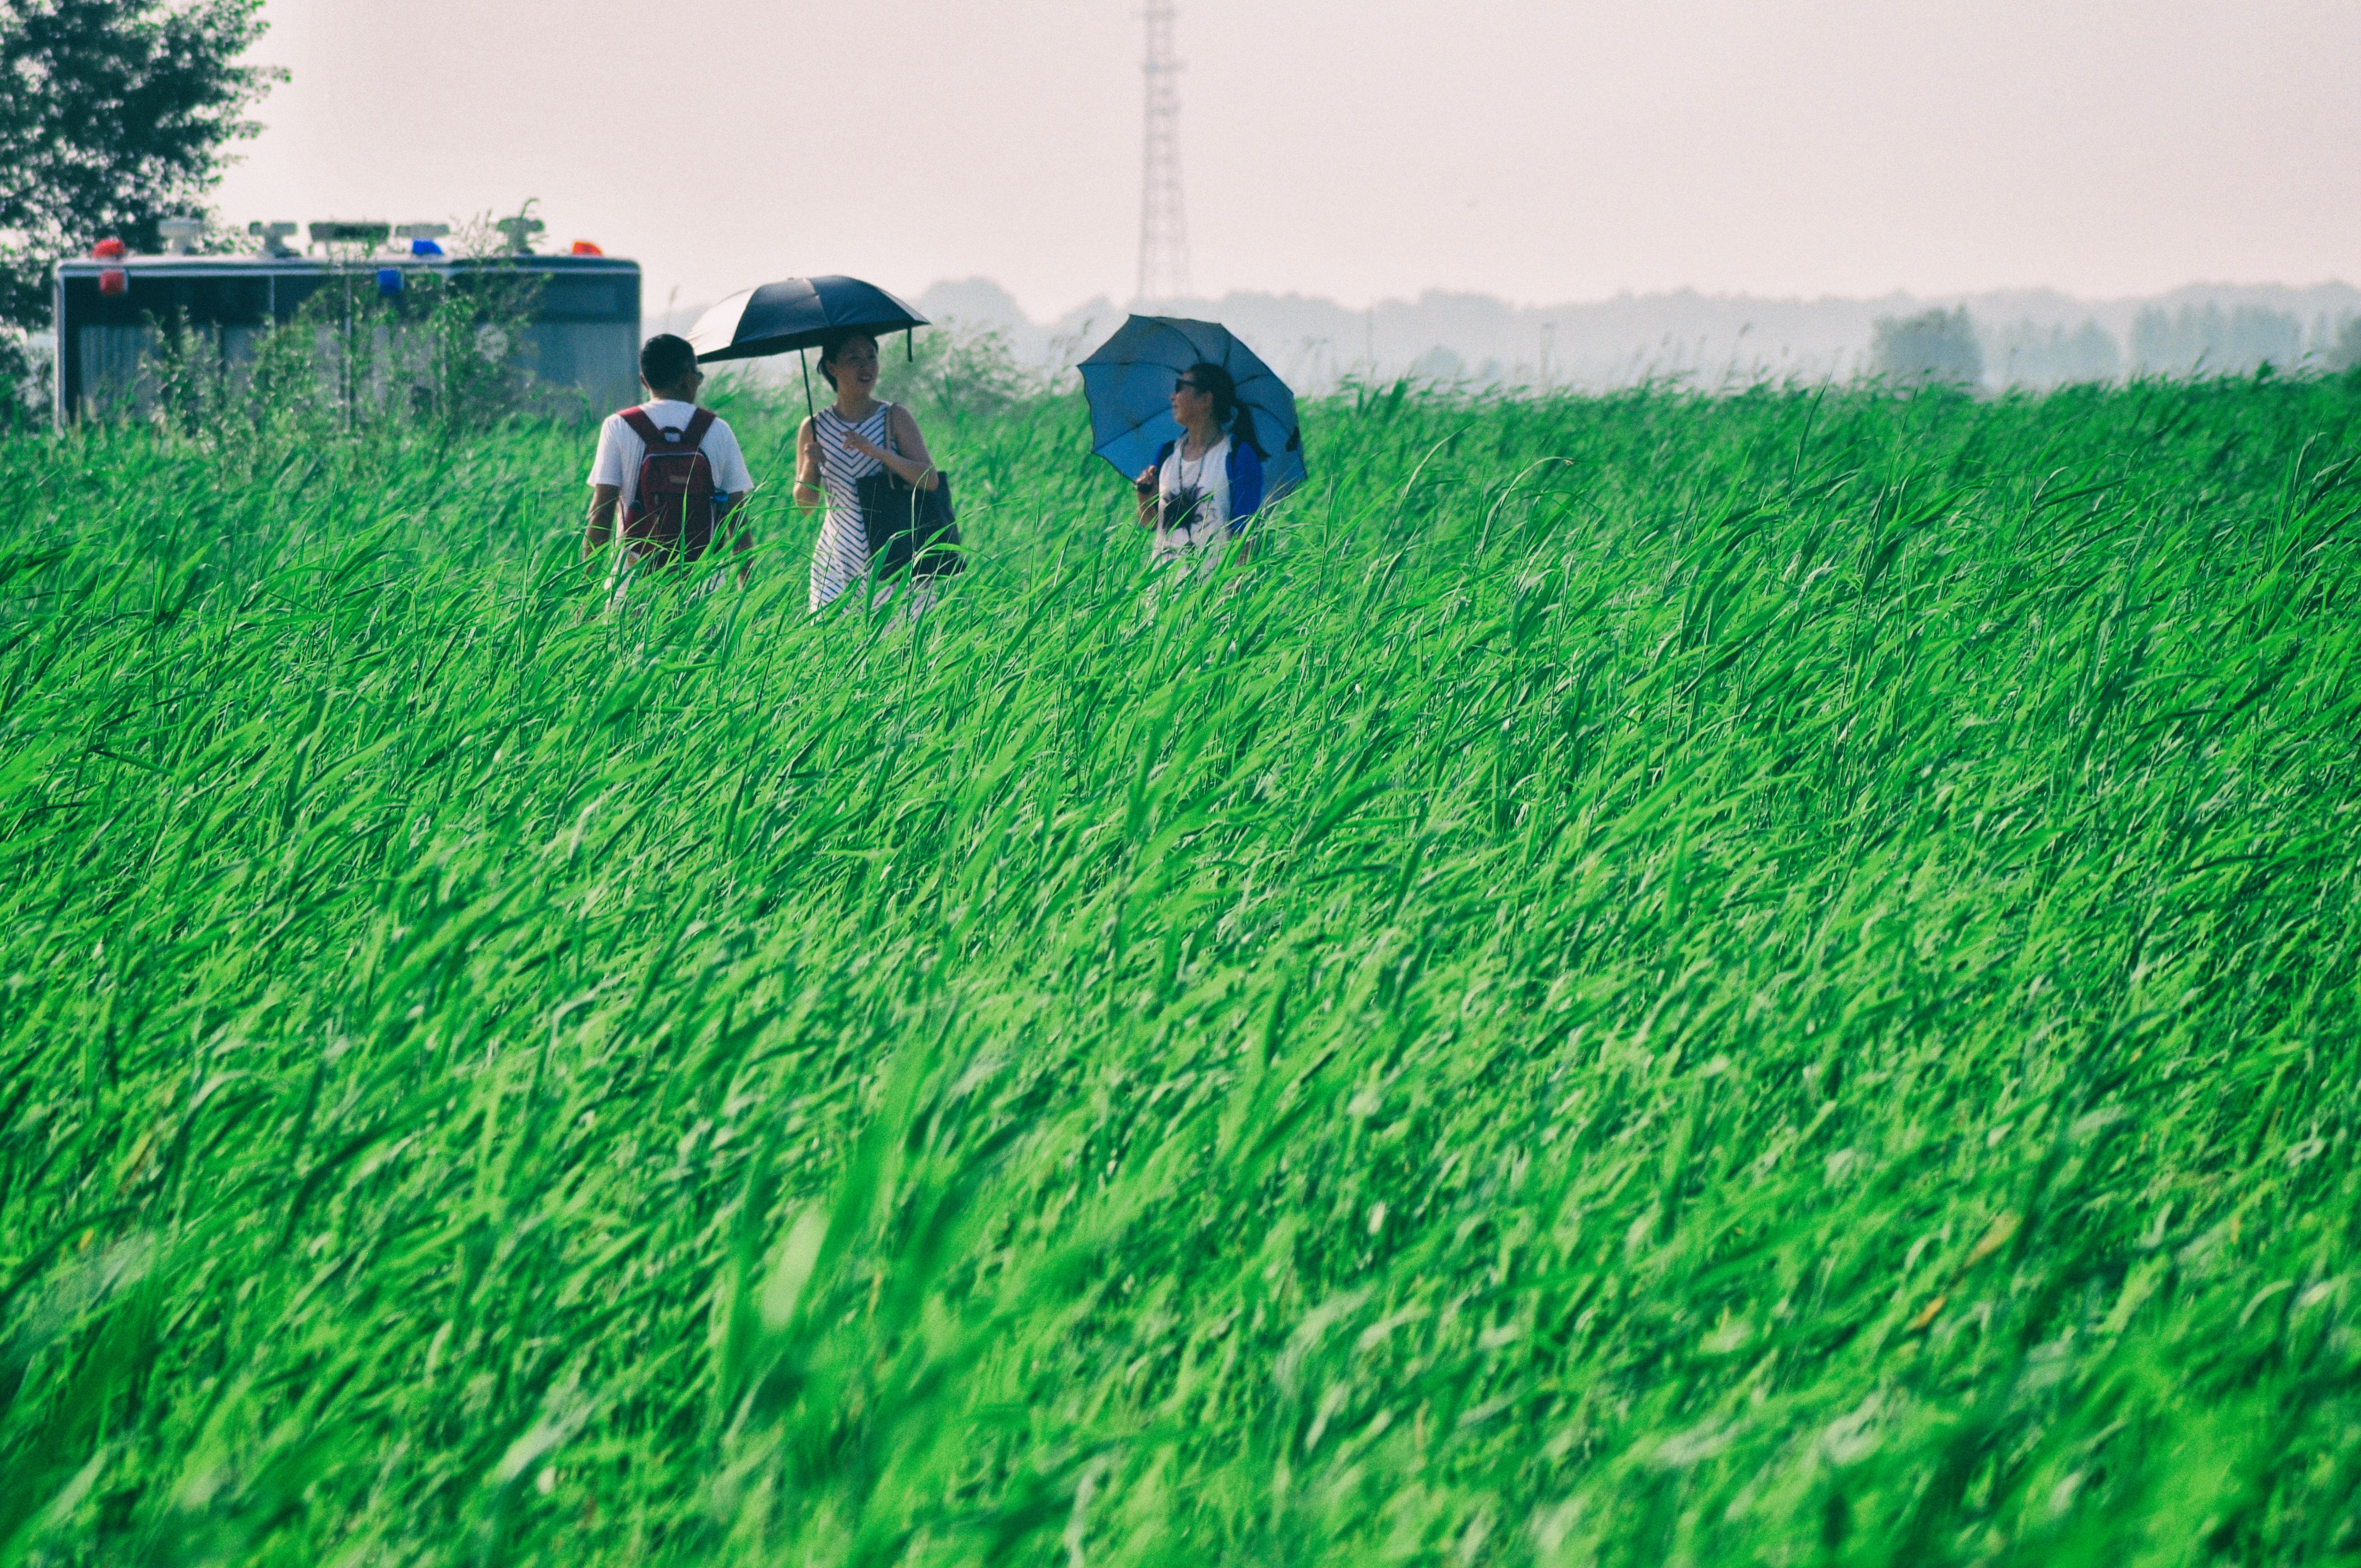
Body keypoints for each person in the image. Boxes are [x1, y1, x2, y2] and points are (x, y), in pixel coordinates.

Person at [584, 333, 755, 600]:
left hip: (634, 585)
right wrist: (749, 596)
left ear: (645, 381)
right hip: (702, 589)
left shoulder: (617, 427)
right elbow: (737, 520)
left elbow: (601, 513)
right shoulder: (718, 430)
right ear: (688, 378)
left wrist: (586, 593)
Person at [795, 329, 942, 614]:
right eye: (854, 358)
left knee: (898, 640)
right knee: (833, 643)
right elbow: (804, 506)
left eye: (871, 357)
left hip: (894, 548)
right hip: (837, 553)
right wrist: (811, 464)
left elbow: (930, 480)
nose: (867, 367)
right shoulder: (814, 427)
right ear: (831, 368)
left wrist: (878, 452)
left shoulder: (894, 417)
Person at [1134, 361, 1265, 574]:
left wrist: (1233, 588)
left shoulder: (1238, 455)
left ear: (1206, 399)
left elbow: (1244, 533)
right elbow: (1151, 524)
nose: (1172, 397)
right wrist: (1143, 495)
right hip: (1161, 588)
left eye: (1180, 387)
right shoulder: (1167, 453)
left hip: (1212, 590)